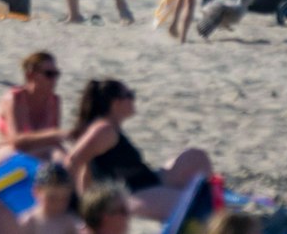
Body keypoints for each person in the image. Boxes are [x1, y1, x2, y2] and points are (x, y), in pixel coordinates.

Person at [65, 79, 213, 216]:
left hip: (146, 180)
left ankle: (209, 192)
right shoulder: (105, 130)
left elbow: (87, 169)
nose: (134, 98)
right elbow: (73, 161)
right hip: (135, 193)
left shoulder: (107, 128)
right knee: (196, 207)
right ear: (116, 103)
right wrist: (80, 206)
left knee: (196, 157)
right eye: (130, 95)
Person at [0, 52, 67, 166]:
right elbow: (17, 142)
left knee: (62, 158)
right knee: (46, 155)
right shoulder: (15, 99)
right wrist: (56, 134)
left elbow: (53, 142)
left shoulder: (54, 101)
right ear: (30, 76)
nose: (54, 80)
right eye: (49, 74)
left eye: (56, 74)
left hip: (30, 156)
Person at [20, 163, 80, 234]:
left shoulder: (70, 222)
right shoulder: (29, 222)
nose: (58, 203)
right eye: (52, 198)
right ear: (36, 192)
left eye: (64, 198)